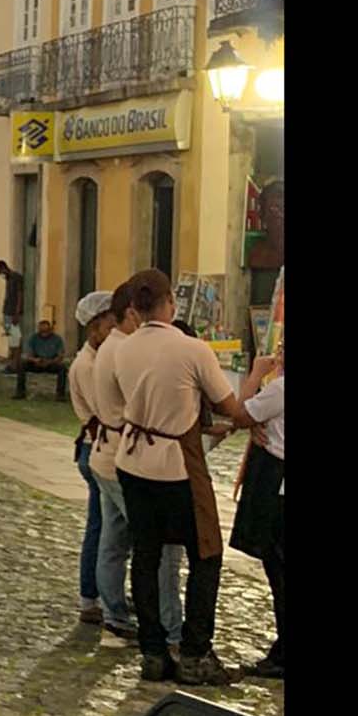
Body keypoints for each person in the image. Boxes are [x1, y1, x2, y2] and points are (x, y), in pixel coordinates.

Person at [110, 269, 258, 686]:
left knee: (146, 555)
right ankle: (194, 651)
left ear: (135, 308)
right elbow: (230, 406)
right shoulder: (191, 349)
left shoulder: (123, 347)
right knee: (205, 553)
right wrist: (254, 387)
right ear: (170, 302)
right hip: (176, 464)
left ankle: (153, 651)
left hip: (133, 461)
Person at [88, 284, 183, 651]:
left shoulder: (110, 347)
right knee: (155, 546)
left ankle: (115, 615)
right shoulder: (122, 349)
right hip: (121, 457)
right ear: (131, 313)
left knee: (114, 540)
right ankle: (165, 626)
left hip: (108, 453)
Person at [231, 350, 284, 678]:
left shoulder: (279, 389)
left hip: (276, 481)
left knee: (278, 567)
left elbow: (239, 415)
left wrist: (254, 375)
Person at [66, 291, 117, 625]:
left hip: (97, 445)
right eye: (110, 325)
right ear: (95, 326)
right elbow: (104, 409)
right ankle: (91, 596)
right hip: (95, 447)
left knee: (106, 527)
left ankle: (103, 592)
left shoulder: (99, 359)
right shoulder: (88, 365)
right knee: (101, 528)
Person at [12, 318, 68, 399]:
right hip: (37, 362)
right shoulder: (33, 338)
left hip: (51, 362)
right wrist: (35, 360)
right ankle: (20, 392)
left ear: (50, 330)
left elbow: (60, 355)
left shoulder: (57, 339)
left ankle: (60, 395)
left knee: (62, 368)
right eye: (42, 331)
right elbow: (28, 354)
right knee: (22, 365)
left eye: (46, 331)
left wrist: (50, 362)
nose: (44, 333)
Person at [0, 259, 25, 354]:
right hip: (7, 310)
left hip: (13, 312)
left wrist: (17, 313)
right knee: (10, 335)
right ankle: (12, 355)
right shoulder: (8, 279)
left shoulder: (16, 277)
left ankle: (16, 358)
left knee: (16, 336)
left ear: (3, 268)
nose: (0, 274)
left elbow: (20, 295)